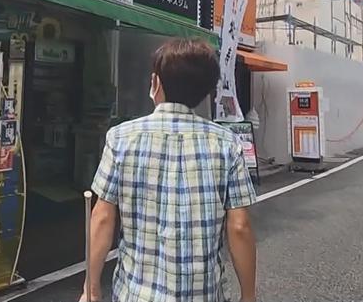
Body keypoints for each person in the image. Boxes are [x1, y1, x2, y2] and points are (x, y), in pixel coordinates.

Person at [82, 38, 257, 302]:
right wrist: (248, 296)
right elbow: (240, 226)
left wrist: (91, 288)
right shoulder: (227, 144)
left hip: (135, 295)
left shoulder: (120, 138)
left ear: (155, 83)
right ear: (205, 91)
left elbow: (103, 218)